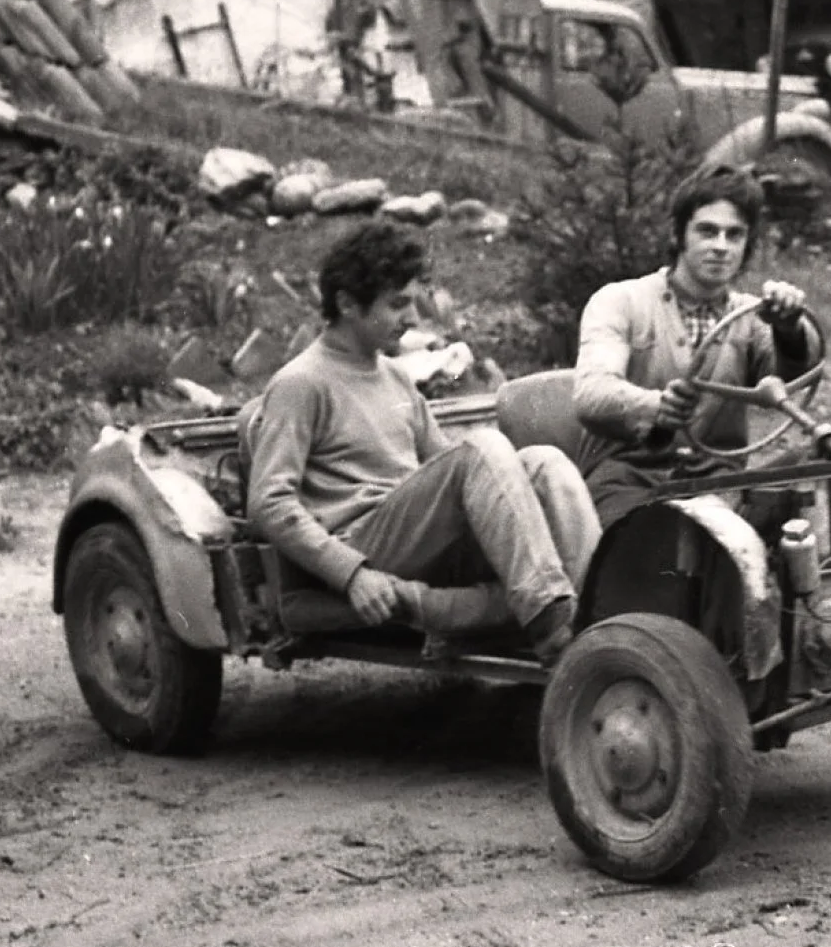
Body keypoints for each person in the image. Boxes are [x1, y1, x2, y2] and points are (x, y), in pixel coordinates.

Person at [247, 219, 600, 660]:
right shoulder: (301, 383)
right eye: (398, 304)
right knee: (482, 446)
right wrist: (352, 574)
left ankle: (596, 610)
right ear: (347, 303)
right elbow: (269, 502)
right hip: (362, 543)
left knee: (545, 462)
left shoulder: (394, 377)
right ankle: (548, 616)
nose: (413, 318)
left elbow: (453, 470)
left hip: (414, 538)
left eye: (414, 303)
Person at [565, 167, 821, 526]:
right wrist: (656, 407)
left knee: (822, 460)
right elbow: (592, 394)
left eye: (734, 235)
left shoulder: (752, 317)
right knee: (667, 541)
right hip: (630, 487)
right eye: (707, 231)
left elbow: (790, 380)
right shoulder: (621, 302)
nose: (721, 246)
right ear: (678, 234)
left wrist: (789, 328)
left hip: (722, 488)